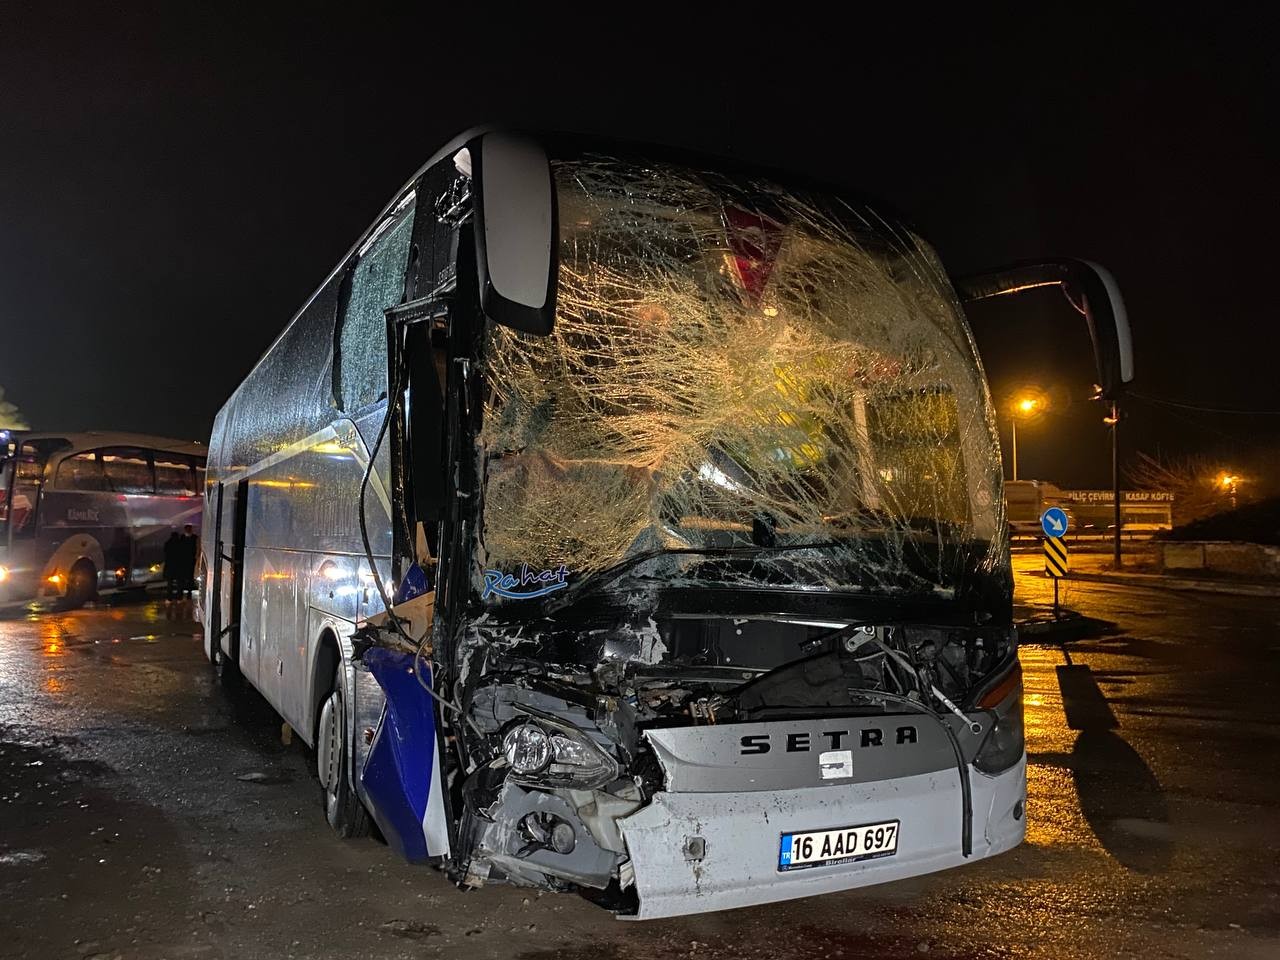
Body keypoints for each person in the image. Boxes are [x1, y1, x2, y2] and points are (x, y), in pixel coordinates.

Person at [177, 524, 199, 597]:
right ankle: (186, 593)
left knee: (188, 577)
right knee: (187, 577)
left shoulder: (182, 538)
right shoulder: (193, 538)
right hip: (187, 560)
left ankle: (185, 593)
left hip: (187, 560)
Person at [162, 530, 184, 602]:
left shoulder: (168, 543)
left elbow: (166, 554)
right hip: (179, 566)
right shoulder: (181, 543)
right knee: (179, 583)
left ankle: (169, 598)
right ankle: (179, 598)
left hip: (170, 566)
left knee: (170, 583)